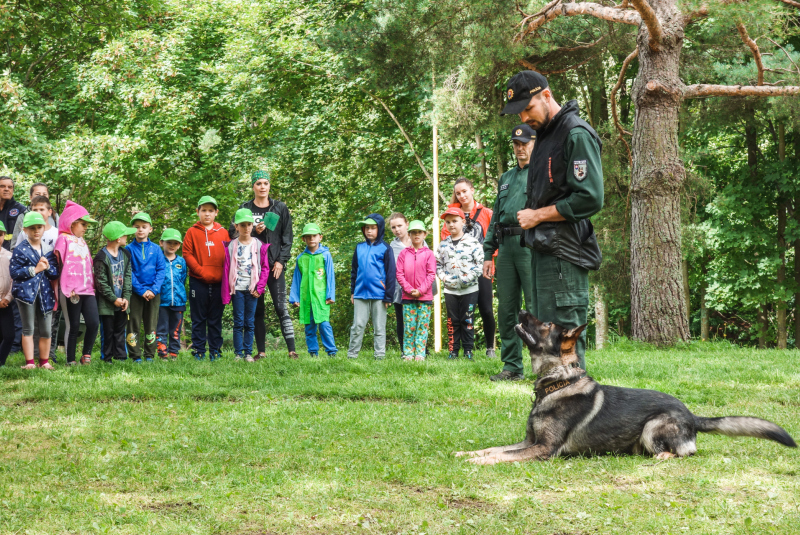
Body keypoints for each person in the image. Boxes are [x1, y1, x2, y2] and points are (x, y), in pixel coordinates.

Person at [501, 71, 604, 370]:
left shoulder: (575, 133)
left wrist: (537, 215)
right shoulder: (546, 136)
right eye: (519, 111)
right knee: (543, 338)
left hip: (565, 255)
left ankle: (577, 413)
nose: (524, 116)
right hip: (543, 252)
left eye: (528, 108)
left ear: (546, 96)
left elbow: (590, 198)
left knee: (564, 339)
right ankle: (553, 411)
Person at [485, 124, 536, 382]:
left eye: (524, 143)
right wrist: (488, 252)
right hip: (505, 249)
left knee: (536, 310)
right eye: (516, 144)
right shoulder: (506, 178)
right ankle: (512, 366)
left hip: (530, 247)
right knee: (506, 310)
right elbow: (496, 216)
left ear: (534, 143)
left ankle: (544, 366)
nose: (520, 148)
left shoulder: (541, 174)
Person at [229, 170, 297, 359]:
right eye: (258, 183)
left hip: (273, 266)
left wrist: (281, 261)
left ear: (269, 186)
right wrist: (255, 232)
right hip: (251, 269)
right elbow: (232, 234)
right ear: (253, 186)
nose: (262, 187)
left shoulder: (279, 208)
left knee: (280, 306)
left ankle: (292, 350)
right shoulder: (245, 208)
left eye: (265, 183)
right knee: (256, 309)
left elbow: (287, 238)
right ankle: (261, 352)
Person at [442, 178, 496, 357]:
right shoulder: (451, 216)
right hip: (459, 271)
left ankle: (490, 347)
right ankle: (461, 349)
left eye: (465, 191)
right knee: (459, 313)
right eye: (458, 193)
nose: (462, 195)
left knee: (486, 308)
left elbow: (495, 239)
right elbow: (445, 240)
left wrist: (490, 257)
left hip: (482, 268)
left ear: (472, 190)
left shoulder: (486, 213)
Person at [14, 195, 60, 363]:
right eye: (32, 228)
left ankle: (45, 361)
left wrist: (48, 267)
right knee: (29, 329)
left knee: (47, 330)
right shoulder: (20, 249)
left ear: (43, 228)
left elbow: (55, 273)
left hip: (45, 294)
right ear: (24, 230)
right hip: (25, 295)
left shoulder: (48, 249)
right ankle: (30, 362)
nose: (36, 230)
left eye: (39, 227)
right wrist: (35, 270)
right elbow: (15, 272)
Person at [184, 195, 229, 361]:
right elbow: (187, 254)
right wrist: (201, 272)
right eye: (204, 210)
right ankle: (198, 350)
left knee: (215, 318)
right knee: (198, 318)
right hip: (198, 281)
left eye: (211, 210)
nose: (207, 214)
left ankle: (216, 350)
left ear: (216, 212)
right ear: (198, 212)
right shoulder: (192, 232)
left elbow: (228, 256)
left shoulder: (223, 232)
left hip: (219, 283)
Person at [54, 200, 99, 366]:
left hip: (88, 289)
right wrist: (67, 287)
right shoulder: (63, 239)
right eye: (82, 224)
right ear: (71, 223)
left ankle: (86, 355)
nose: (85, 227)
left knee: (93, 322)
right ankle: (70, 359)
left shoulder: (83, 241)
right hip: (72, 291)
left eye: (86, 225)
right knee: (73, 325)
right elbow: (60, 265)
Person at [222, 209, 270, 362]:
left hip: (252, 290)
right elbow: (227, 269)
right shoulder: (231, 246)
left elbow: (265, 268)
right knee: (238, 322)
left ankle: (248, 353)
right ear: (236, 226)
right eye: (242, 225)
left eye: (249, 225)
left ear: (252, 225)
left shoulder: (258, 244)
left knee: (250, 322)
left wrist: (260, 288)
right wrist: (227, 291)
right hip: (237, 289)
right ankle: (238, 353)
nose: (246, 228)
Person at [437, 207, 483, 360]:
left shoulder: (472, 242)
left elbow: (480, 264)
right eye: (448, 222)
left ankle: (468, 350)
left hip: (469, 289)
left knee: (467, 320)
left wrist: (467, 278)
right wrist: (444, 277)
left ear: (463, 222)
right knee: (452, 321)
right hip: (450, 290)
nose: (451, 225)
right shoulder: (443, 245)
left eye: (455, 221)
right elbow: (437, 265)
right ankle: (453, 351)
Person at [348, 214, 395, 360]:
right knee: (357, 326)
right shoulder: (359, 247)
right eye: (367, 228)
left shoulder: (385, 248)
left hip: (380, 294)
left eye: (373, 228)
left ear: (379, 229)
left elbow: (391, 273)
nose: (369, 231)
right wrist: (352, 291)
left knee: (379, 327)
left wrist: (388, 295)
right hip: (360, 293)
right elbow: (354, 270)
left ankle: (379, 355)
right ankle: (352, 354)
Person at [289, 223, 337, 358]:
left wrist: (330, 295)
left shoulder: (325, 255)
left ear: (320, 237)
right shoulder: (301, 258)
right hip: (306, 298)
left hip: (321, 298)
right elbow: (297, 279)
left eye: (314, 236)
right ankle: (313, 352)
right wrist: (295, 297)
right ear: (304, 239)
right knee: (309, 327)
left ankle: (331, 352)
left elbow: (330, 276)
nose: (311, 239)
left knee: (324, 325)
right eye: (308, 236)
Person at [126, 213, 166, 363]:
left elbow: (161, 270)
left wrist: (153, 290)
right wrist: (141, 290)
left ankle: (149, 354)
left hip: (154, 294)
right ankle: (135, 355)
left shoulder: (156, 250)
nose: (140, 230)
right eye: (136, 227)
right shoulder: (128, 249)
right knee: (133, 324)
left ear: (150, 229)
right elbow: (129, 272)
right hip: (136, 294)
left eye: (144, 227)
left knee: (151, 323)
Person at [93, 221, 134, 362]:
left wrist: (126, 297)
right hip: (107, 304)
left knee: (120, 331)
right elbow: (100, 283)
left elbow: (128, 277)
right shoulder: (101, 258)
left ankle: (121, 356)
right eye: (124, 235)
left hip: (122, 301)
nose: (127, 237)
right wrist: (113, 299)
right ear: (118, 238)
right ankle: (107, 358)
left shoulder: (126, 254)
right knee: (108, 331)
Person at [396, 220, 436, 361]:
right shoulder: (403, 254)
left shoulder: (429, 254)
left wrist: (421, 290)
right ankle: (408, 353)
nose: (416, 235)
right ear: (409, 235)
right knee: (409, 326)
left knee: (422, 327)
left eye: (419, 232)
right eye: (413, 232)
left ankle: (420, 353)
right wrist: (408, 289)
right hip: (407, 297)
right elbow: (399, 274)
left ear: (424, 234)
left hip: (425, 297)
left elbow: (431, 274)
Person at [0, 176, 27, 356]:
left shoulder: (20, 210)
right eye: (2, 186)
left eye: (10, 187)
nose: (6, 189)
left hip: (11, 259)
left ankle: (14, 347)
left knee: (12, 304)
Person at [157, 228, 187, 361]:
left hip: (179, 301)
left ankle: (174, 353)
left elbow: (183, 278)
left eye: (175, 243)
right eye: (169, 242)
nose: (172, 245)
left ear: (179, 245)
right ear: (161, 243)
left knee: (175, 330)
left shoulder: (181, 262)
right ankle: (162, 353)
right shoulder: (158, 260)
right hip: (162, 301)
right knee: (161, 328)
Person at [388, 213, 412, 345]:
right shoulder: (391, 247)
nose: (397, 229)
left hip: (418, 289)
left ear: (407, 224)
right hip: (400, 290)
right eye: (393, 227)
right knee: (401, 320)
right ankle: (404, 349)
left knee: (418, 319)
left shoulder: (419, 241)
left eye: (399, 225)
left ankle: (422, 349)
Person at [11, 183, 58, 248]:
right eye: (37, 194)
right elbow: (15, 247)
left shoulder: (55, 218)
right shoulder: (23, 217)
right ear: (31, 197)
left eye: (44, 194)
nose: (38, 212)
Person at [0, 222, 14, 366]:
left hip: (5, 303)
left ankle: (1, 361)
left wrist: (7, 298)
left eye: (0, 234)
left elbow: (13, 280)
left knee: (9, 335)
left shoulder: (9, 256)